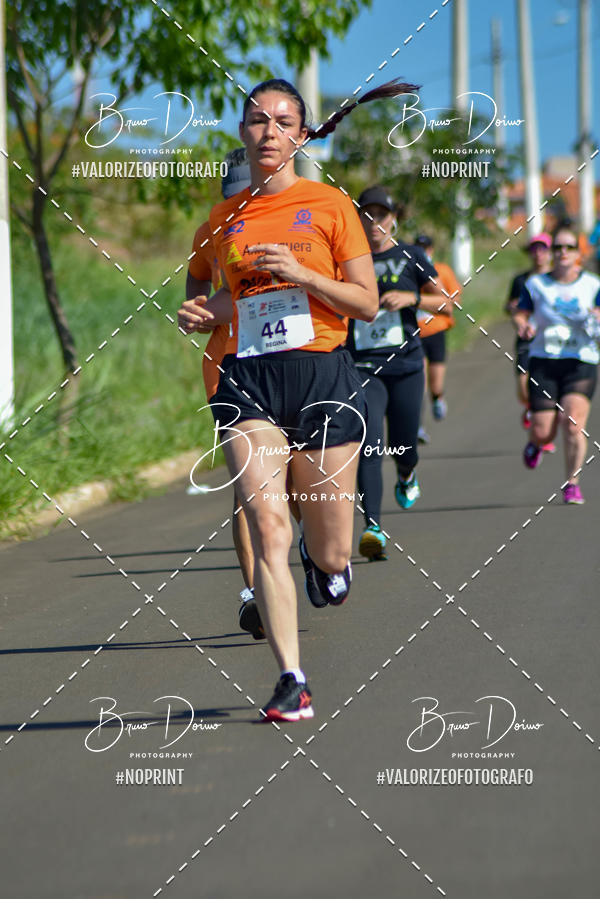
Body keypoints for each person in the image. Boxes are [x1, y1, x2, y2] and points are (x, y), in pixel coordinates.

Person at [178, 77, 418, 721]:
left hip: (322, 378)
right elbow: (233, 296)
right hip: (249, 378)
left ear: (302, 134)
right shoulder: (225, 218)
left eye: (283, 121)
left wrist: (304, 273)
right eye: (257, 120)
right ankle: (292, 679)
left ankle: (326, 564)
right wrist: (205, 313)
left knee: (333, 549)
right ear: (241, 133)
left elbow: (365, 303)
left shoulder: (332, 207)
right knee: (266, 524)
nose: (268, 131)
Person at [186, 149, 268, 639]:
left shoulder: (290, 222)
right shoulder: (211, 229)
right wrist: (199, 305)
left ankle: (309, 553)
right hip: (229, 369)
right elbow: (198, 276)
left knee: (296, 486)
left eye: (247, 192)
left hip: (292, 364)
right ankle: (255, 593)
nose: (239, 203)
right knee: (246, 491)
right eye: (231, 194)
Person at [347, 187, 450, 562]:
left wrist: (412, 299)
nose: (374, 222)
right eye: (367, 214)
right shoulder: (344, 256)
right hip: (361, 367)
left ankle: (407, 473)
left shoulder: (411, 255)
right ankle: (373, 526)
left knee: (404, 446)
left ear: (394, 217)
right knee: (368, 444)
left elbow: (447, 301)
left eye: (382, 214)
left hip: (406, 365)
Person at [513, 224, 600, 504]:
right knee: (543, 430)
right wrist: (524, 326)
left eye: (569, 247)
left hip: (580, 360)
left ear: (579, 253)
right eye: (558, 247)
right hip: (545, 361)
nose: (563, 252)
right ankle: (535, 442)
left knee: (573, 423)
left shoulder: (593, 284)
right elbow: (521, 313)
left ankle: (571, 483)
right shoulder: (537, 285)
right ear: (552, 252)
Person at [505, 233, 554, 444]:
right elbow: (508, 306)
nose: (539, 254)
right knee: (524, 389)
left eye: (543, 249)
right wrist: (513, 309)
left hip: (551, 340)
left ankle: (544, 432)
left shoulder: (556, 279)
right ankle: (530, 408)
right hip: (526, 339)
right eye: (535, 249)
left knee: (549, 389)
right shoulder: (520, 280)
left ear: (549, 253)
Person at [414, 234, 460, 440]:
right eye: (419, 247)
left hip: (437, 331)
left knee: (435, 382)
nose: (424, 251)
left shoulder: (442, 271)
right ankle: (417, 427)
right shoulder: (408, 270)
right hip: (415, 333)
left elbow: (454, 298)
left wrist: (437, 301)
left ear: (431, 250)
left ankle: (437, 398)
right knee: (419, 382)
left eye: (427, 247)